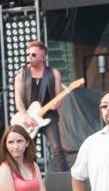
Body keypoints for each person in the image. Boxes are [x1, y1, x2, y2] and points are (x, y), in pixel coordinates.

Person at [14, 40, 68, 171]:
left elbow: (59, 99)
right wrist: (26, 117)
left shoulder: (54, 73)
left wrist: (57, 104)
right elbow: (18, 101)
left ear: (43, 57)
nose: (29, 57)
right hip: (28, 118)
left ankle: (66, 178)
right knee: (28, 153)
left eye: (33, 55)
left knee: (56, 148)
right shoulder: (21, 75)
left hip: (49, 115)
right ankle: (29, 180)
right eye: (28, 54)